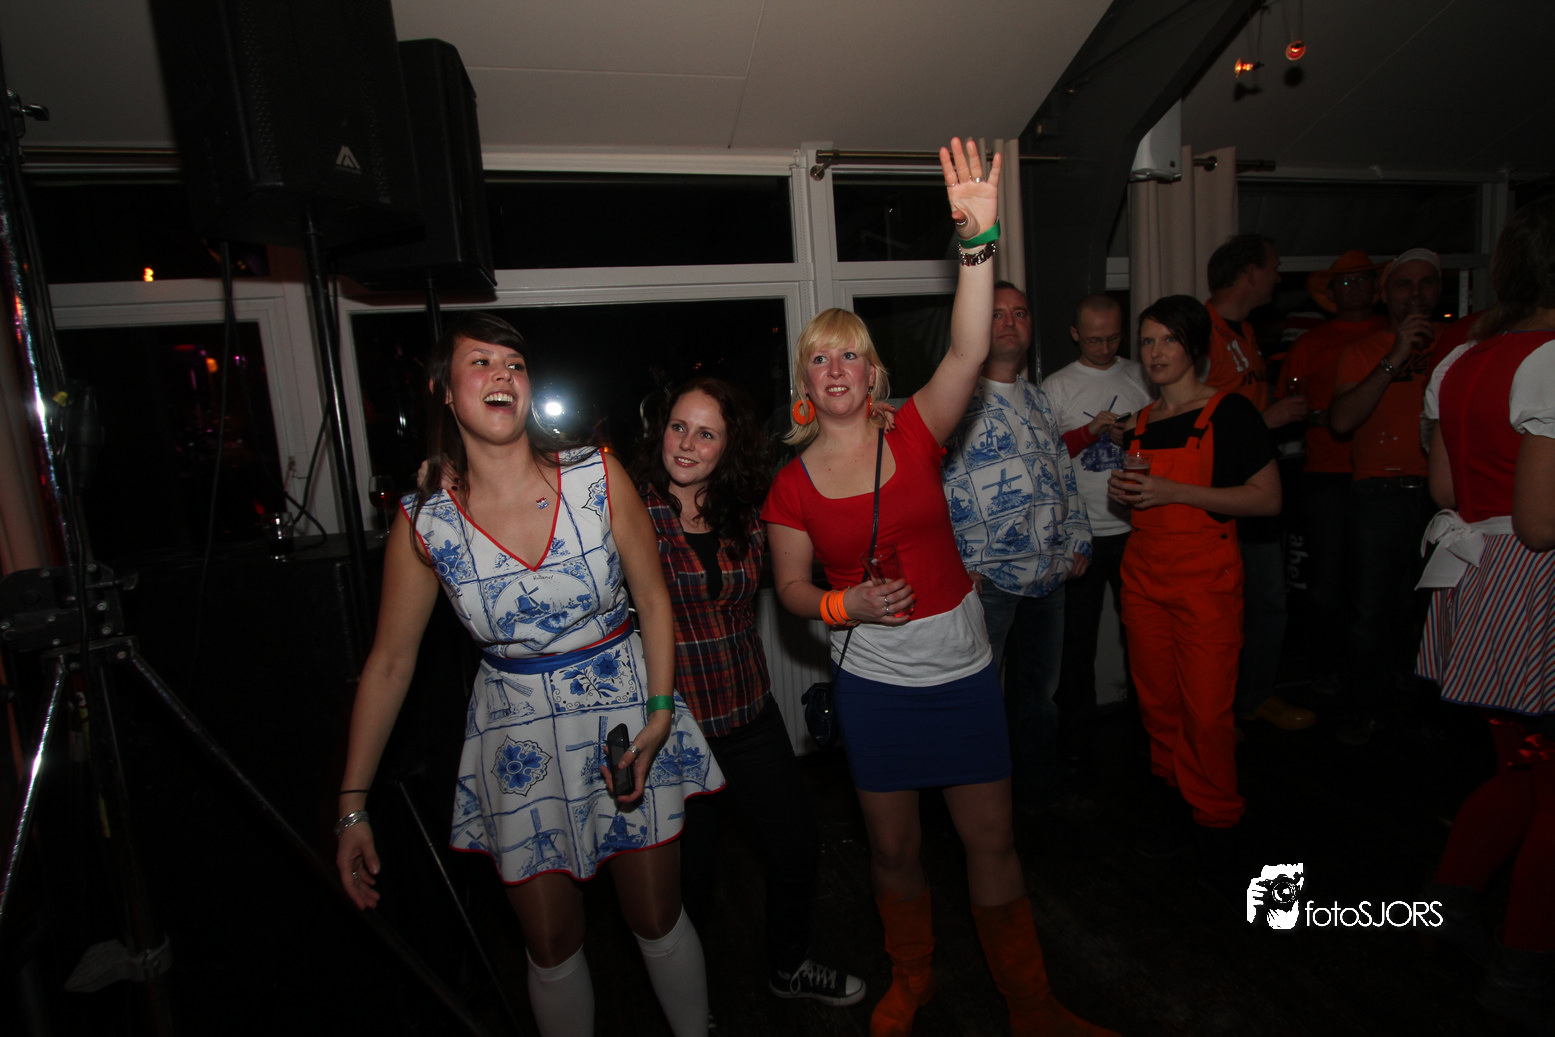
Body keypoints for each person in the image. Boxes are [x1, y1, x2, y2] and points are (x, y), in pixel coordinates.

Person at [763, 138, 1114, 1037]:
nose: (834, 369)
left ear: (870, 371)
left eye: (848, 355)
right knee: (893, 848)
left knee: (990, 839)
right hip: (874, 683)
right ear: (804, 383)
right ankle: (911, 977)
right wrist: (844, 604)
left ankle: (1031, 1004)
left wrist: (977, 241)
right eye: (818, 359)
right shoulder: (790, 486)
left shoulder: (917, 430)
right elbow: (792, 589)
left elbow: (967, 345)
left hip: (958, 669)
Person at [335, 313, 725, 1037]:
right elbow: (389, 664)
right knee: (550, 941)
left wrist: (660, 713)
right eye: (480, 362)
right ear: (443, 390)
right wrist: (352, 805)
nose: (502, 375)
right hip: (518, 742)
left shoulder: (594, 474)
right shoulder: (427, 522)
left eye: (513, 363)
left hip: (623, 720)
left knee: (655, 915)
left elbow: (652, 598)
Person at [631, 376, 864, 1009]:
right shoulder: (628, 510)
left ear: (729, 446)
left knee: (796, 844)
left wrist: (874, 423)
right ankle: (687, 1006)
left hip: (748, 712)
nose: (687, 444)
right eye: (679, 427)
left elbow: (823, 492)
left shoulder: (747, 509)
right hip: (674, 728)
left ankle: (788, 966)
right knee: (692, 878)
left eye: (706, 434)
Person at [1415, 196, 1555, 1034]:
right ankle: (1522, 966)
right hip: (1534, 581)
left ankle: (1452, 906)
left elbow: (1443, 487)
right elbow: (1539, 522)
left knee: (1522, 768)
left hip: (1477, 577)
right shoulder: (1550, 358)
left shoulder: (1461, 358)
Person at [1107, 295, 1280, 888]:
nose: (1156, 352)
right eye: (1148, 341)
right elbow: (1143, 496)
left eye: (1169, 340)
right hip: (1144, 579)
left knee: (1207, 715)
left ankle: (1217, 825)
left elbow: (1267, 498)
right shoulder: (1141, 422)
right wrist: (1125, 492)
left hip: (1205, 583)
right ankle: (1176, 808)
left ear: (1195, 347)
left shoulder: (1230, 413)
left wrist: (1176, 493)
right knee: (1158, 706)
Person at [942, 280, 1091, 811]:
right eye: (997, 313)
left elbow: (1063, 474)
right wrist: (953, 568)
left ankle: (1038, 794)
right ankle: (978, 806)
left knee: (1038, 698)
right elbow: (926, 493)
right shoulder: (953, 400)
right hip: (987, 579)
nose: (1009, 322)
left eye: (1020, 313)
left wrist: (1078, 537)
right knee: (976, 699)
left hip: (1049, 575)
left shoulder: (1039, 398)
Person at [1330, 247, 1448, 744]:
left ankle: (1426, 712)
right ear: (1386, 293)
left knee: (1430, 613)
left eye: (1426, 283)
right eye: (1404, 284)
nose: (1415, 293)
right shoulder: (1363, 352)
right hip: (1379, 494)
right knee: (1370, 613)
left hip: (1443, 497)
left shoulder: (1458, 348)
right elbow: (1341, 420)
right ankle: (1369, 710)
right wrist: (1395, 356)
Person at [1204, 234, 1313, 734]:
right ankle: (1224, 707)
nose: (1279, 277)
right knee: (1232, 606)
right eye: (1273, 267)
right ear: (1249, 273)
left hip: (1260, 481)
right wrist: (1269, 420)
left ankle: (1252, 698)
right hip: (1223, 493)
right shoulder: (1202, 332)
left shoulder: (1246, 329)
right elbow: (1192, 420)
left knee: (1268, 602)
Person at [1045, 293, 1153, 777]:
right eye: (1094, 340)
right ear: (1075, 335)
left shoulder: (1141, 376)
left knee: (1144, 638)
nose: (1105, 347)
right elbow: (1045, 460)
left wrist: (1132, 436)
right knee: (1076, 645)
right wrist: (1089, 433)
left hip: (1137, 529)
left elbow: (1162, 445)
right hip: (1082, 534)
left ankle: (1149, 731)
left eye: (1112, 338)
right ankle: (1076, 740)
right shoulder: (1056, 386)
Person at [1278, 250, 1387, 695]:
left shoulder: (1394, 337)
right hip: (1326, 471)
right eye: (1345, 282)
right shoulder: (1311, 342)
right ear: (1331, 292)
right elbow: (1288, 405)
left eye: (1362, 279)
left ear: (1375, 287)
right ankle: (1324, 667)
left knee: (1377, 580)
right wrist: (1324, 417)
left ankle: (1377, 673)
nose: (1355, 287)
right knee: (1325, 578)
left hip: (1384, 474)